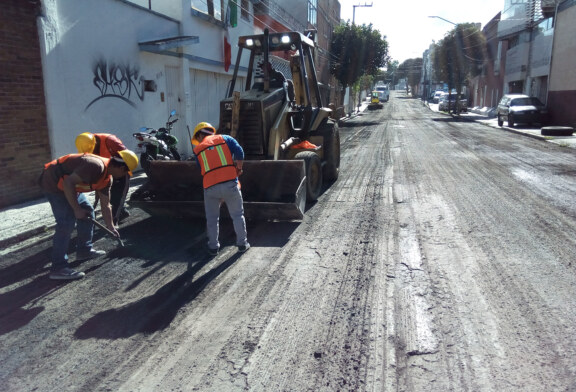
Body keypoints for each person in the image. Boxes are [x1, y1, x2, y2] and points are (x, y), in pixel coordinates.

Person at [38, 150, 138, 280]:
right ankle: (58, 267)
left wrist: (111, 227)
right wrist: (76, 209)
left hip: (69, 186)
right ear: (120, 167)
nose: (124, 175)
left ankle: (84, 250)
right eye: (125, 172)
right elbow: (68, 183)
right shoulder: (95, 166)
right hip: (53, 183)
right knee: (66, 222)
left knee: (88, 210)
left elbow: (106, 205)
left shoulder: (107, 178)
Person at [191, 122, 249, 255]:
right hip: (230, 184)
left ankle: (213, 247)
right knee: (237, 215)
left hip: (210, 188)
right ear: (211, 131)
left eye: (197, 138)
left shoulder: (198, 150)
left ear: (200, 135)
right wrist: (239, 168)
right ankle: (242, 244)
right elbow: (240, 152)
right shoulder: (225, 139)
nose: (198, 141)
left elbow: (201, 170)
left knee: (212, 218)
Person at [75, 132, 130, 224]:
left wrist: (117, 169)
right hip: (106, 171)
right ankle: (122, 212)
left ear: (94, 143)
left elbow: (127, 157)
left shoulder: (110, 141)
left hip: (121, 170)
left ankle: (114, 222)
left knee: (118, 196)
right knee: (108, 196)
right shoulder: (85, 145)